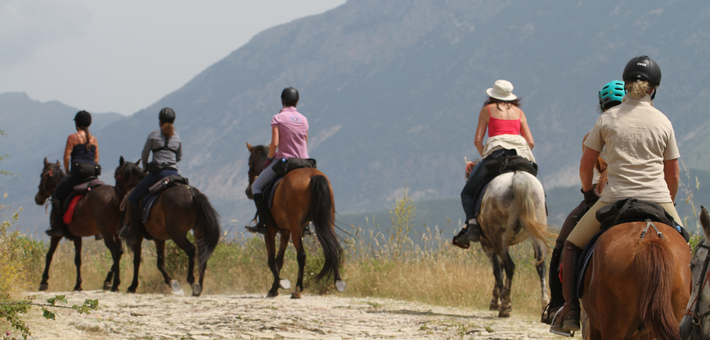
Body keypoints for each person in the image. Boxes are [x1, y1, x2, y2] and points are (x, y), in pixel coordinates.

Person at [551, 56, 683, 333]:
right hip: (658, 198)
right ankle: (694, 314)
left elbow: (586, 165)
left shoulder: (607, 119)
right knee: (686, 248)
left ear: (626, 85)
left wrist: (588, 193)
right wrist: (667, 201)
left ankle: (571, 310)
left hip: (614, 198)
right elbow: (673, 174)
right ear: (653, 89)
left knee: (572, 246)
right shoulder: (663, 121)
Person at [542, 80, 625, 324]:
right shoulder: (646, 124)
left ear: (602, 105)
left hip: (606, 196)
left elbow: (587, 167)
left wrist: (589, 194)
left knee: (565, 244)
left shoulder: (596, 131)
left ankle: (564, 306)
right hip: (648, 194)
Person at [454, 80, 535, 247]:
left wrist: (486, 156)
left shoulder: (487, 110)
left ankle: (473, 227)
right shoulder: (520, 113)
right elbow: (531, 142)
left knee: (467, 193)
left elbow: (478, 141)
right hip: (521, 156)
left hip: (496, 156)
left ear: (492, 95)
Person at [246, 87, 309, 235]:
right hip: (304, 161)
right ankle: (308, 224)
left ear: (282, 101)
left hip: (285, 161)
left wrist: (269, 158)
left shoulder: (278, 118)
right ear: (297, 102)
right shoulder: (304, 119)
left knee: (256, 186)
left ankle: (262, 222)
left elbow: (274, 144)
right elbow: (304, 142)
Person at [119, 107, 182, 240]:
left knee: (132, 198)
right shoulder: (177, 137)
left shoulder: (153, 135)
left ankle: (134, 232)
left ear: (159, 121)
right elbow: (179, 157)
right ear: (173, 122)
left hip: (158, 174)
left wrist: (145, 168)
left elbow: (145, 154)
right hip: (174, 173)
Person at [46, 111, 100, 237]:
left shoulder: (72, 137)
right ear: (89, 124)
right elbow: (96, 160)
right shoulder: (94, 139)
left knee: (56, 196)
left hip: (77, 173)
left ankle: (57, 227)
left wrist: (68, 173)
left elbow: (66, 158)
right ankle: (99, 231)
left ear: (77, 124)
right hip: (92, 174)